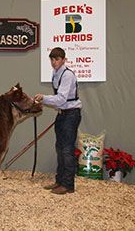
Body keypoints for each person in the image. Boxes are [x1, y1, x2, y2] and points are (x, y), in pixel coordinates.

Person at [34, 47, 82, 195]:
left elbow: (61, 99)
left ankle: (68, 185)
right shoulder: (56, 74)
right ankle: (59, 180)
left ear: (63, 60)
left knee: (67, 149)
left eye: (57, 59)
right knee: (60, 148)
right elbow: (59, 101)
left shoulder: (67, 75)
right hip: (62, 114)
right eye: (52, 60)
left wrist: (44, 98)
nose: (54, 62)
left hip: (70, 114)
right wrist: (46, 100)